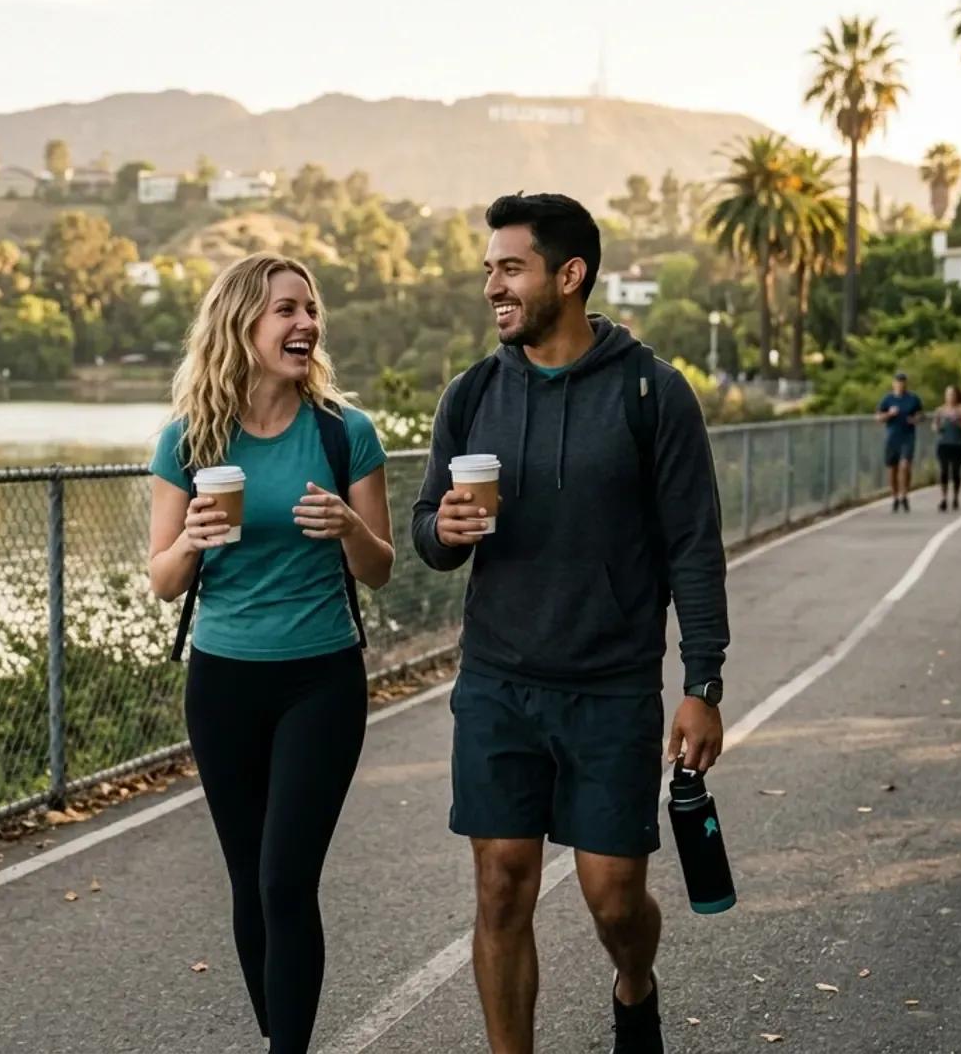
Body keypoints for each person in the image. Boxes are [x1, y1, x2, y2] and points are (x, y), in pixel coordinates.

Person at [412, 193, 730, 1054]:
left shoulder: (651, 394)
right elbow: (427, 536)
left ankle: (635, 985)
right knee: (501, 888)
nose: (493, 286)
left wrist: (702, 686)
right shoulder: (471, 394)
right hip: (498, 684)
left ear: (569, 274)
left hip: (611, 687)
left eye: (509, 268)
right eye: (489, 270)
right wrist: (439, 529)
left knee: (614, 899)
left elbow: (694, 549)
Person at [145, 253, 395, 1054]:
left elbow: (381, 568)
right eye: (287, 309)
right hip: (222, 683)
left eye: (311, 309)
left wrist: (350, 530)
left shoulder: (343, 433)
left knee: (287, 881)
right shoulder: (187, 442)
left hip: (320, 680)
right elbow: (161, 580)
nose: (306, 324)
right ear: (242, 323)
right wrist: (190, 540)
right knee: (250, 885)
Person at [876, 372, 924, 512]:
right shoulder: (887, 399)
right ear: (893, 384)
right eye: (898, 382)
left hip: (907, 437)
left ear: (906, 384)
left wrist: (915, 419)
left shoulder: (913, 398)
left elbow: (921, 414)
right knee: (892, 470)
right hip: (892, 438)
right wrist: (889, 414)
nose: (900, 385)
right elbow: (878, 418)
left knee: (905, 466)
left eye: (903, 382)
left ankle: (905, 495)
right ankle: (895, 497)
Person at [933, 385, 961, 511]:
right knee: (944, 471)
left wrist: (959, 422)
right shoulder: (940, 410)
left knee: (955, 471)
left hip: (957, 444)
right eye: (947, 394)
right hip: (944, 444)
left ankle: (955, 497)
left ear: (956, 396)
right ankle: (944, 498)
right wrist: (937, 428)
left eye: (952, 394)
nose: (950, 397)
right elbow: (934, 425)